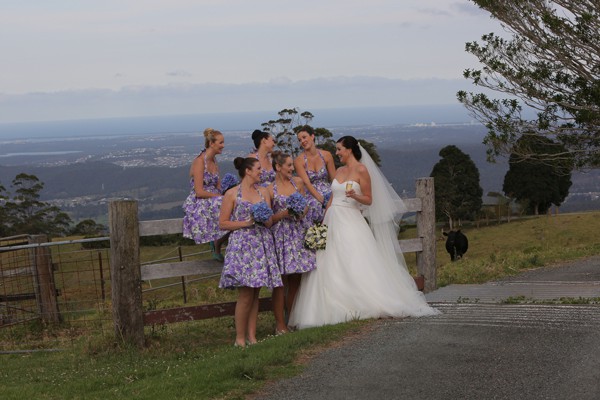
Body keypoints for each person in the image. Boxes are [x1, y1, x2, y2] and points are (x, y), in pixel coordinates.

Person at [289, 136, 438, 329]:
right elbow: (333, 198)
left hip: (351, 219)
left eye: (339, 149)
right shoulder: (339, 170)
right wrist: (323, 225)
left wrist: (355, 196)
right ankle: (327, 308)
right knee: (327, 262)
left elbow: (369, 200)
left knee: (353, 259)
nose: (337, 153)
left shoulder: (361, 170)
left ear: (349, 149)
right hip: (332, 219)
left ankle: (361, 301)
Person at [218, 157, 282, 347]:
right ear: (248, 171)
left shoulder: (264, 192)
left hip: (262, 244)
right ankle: (239, 338)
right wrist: (247, 222)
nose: (261, 172)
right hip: (242, 246)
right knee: (245, 293)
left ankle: (252, 337)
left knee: (255, 292)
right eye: (258, 169)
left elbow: (270, 221)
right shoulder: (231, 194)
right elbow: (223, 223)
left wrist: (265, 218)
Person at [268, 151, 316, 335]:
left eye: (292, 165)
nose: (291, 168)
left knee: (296, 278)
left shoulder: (299, 183)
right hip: (280, 237)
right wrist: (285, 213)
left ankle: (294, 318)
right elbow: (269, 218)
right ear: (278, 167)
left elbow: (305, 207)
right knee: (280, 282)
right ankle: (280, 324)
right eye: (288, 165)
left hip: (298, 233)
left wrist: (300, 211)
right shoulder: (269, 189)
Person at [182, 128, 228, 261]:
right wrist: (221, 198)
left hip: (215, 198)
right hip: (200, 200)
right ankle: (217, 244)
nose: (223, 145)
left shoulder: (214, 161)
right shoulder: (200, 162)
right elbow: (199, 192)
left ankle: (219, 242)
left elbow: (219, 186)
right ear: (211, 143)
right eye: (221, 142)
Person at [294, 125, 336, 224]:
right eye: (299, 140)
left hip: (329, 191)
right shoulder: (299, 161)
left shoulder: (326, 155)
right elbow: (307, 184)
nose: (302, 141)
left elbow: (334, 179)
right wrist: (321, 200)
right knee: (314, 205)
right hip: (312, 195)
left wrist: (333, 197)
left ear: (312, 136)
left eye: (304, 137)